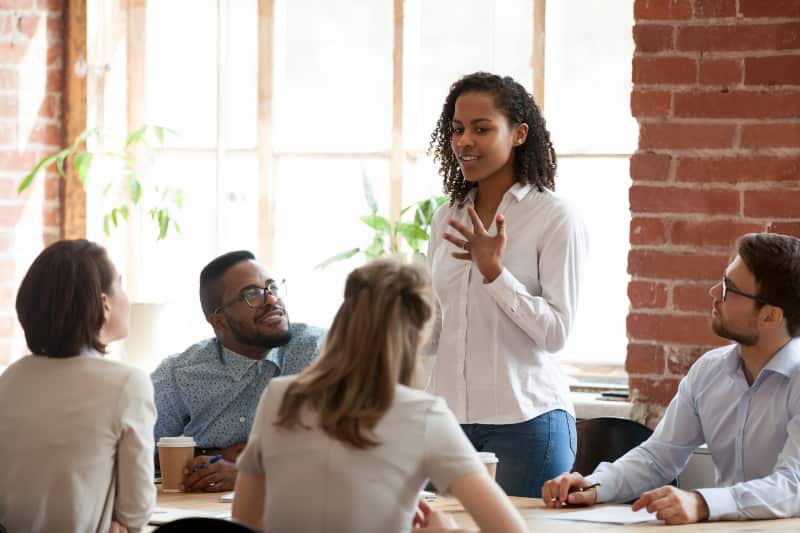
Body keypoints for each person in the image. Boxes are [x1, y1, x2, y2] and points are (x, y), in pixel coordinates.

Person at [232, 259, 527, 533]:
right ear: (420, 337)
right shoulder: (424, 415)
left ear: (344, 321)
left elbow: (243, 522)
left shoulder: (280, 397)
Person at [543, 232, 800, 524]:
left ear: (771, 317)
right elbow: (658, 457)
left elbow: (794, 486)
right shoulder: (710, 371)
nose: (714, 292)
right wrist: (596, 486)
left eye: (729, 289)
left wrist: (702, 503)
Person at [424, 71, 589, 498]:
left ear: (518, 134)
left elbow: (555, 334)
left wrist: (495, 273)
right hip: (447, 425)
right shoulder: (447, 217)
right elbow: (435, 327)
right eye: (457, 130)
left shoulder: (554, 218)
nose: (464, 142)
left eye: (482, 129)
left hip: (527, 425)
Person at [0, 239, 155, 533]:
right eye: (120, 285)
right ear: (104, 303)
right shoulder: (127, 385)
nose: (128, 298)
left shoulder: (8, 381)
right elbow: (136, 511)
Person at [151, 250, 324, 492]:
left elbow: (340, 449)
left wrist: (248, 470)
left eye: (272, 287)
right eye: (251, 295)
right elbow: (136, 449)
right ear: (219, 320)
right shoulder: (180, 373)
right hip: (193, 510)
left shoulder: (318, 354)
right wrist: (211, 455)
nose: (272, 301)